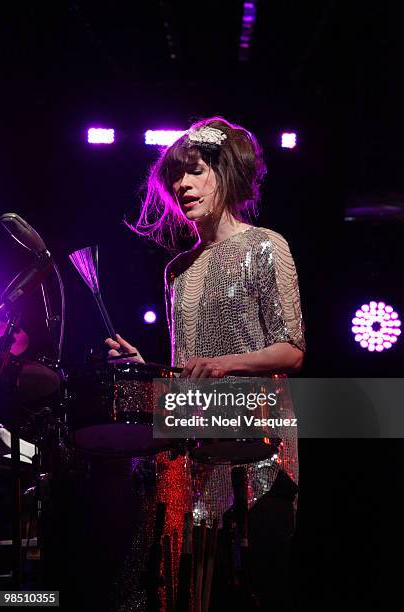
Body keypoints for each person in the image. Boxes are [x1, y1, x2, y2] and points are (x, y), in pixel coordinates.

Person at [106, 117, 306, 610]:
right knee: (188, 590)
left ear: (227, 173)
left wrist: (221, 365)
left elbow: (292, 350)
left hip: (258, 445)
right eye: (176, 177)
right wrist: (147, 367)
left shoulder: (265, 245)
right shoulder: (178, 271)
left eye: (194, 172)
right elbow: (186, 366)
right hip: (193, 448)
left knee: (259, 585)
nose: (181, 185)